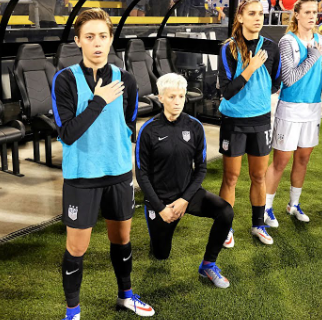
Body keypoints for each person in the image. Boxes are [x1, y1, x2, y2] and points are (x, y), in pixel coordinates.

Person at [51, 8, 154, 320]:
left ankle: (125, 295)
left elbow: (127, 127)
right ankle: (73, 311)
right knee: (77, 248)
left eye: (103, 36)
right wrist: (98, 102)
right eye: (90, 37)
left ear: (111, 40)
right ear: (78, 41)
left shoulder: (129, 81)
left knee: (122, 239)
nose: (97, 43)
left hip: (119, 174)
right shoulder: (64, 80)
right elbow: (68, 134)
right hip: (82, 176)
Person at [135, 73, 234, 289]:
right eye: (171, 97)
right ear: (160, 98)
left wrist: (185, 199)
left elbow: (201, 169)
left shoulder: (195, 126)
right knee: (161, 254)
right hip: (160, 201)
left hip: (187, 194)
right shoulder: (148, 130)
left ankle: (208, 264)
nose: (177, 101)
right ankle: (157, 228)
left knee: (225, 211)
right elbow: (142, 175)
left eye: (181, 96)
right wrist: (161, 208)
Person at [217, 0, 281, 246]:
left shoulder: (271, 48)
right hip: (233, 122)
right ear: (240, 18)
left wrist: (258, 97)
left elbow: (276, 82)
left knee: (258, 176)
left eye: (261, 14)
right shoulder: (228, 49)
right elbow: (228, 91)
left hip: (261, 121)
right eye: (252, 13)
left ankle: (258, 225)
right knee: (231, 178)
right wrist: (250, 69)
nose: (258, 18)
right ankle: (226, 228)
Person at [264, 0, 322, 227]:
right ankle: (266, 208)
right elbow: (288, 79)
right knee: (281, 161)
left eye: (315, 12)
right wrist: (311, 57)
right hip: (290, 107)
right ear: (297, 15)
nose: (312, 16)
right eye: (308, 12)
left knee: (303, 158)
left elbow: (321, 75)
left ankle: (293, 204)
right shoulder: (287, 41)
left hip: (312, 109)